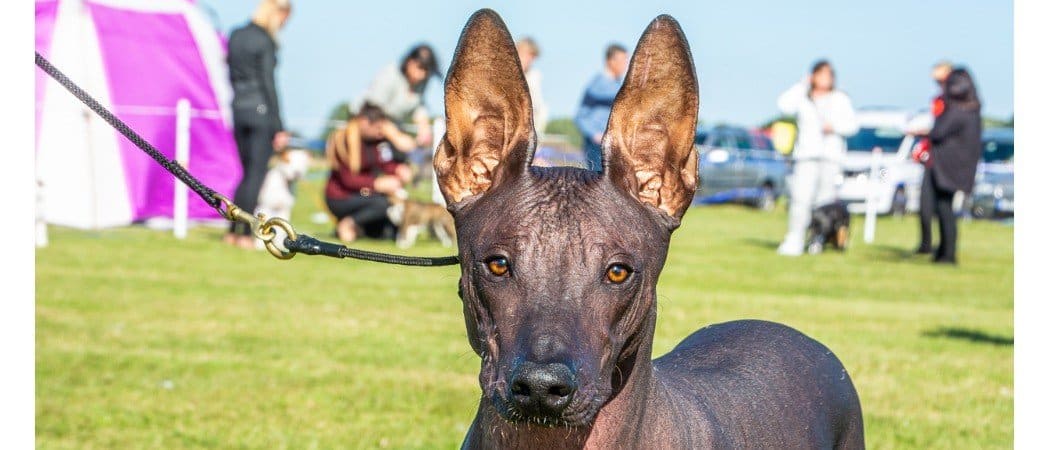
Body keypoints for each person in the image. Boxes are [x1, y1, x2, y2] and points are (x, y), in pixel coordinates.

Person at [224, 0, 292, 249]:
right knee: (255, 175)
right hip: (261, 112)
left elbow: (230, 73)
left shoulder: (236, 34)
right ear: (279, 13)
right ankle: (244, 233)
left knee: (245, 175)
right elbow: (268, 83)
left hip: (239, 109)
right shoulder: (265, 40)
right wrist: (279, 125)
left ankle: (232, 229)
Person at [775, 60, 858, 256]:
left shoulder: (840, 98)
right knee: (800, 200)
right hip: (806, 156)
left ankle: (818, 239)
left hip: (830, 158)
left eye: (828, 74)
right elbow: (783, 105)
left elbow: (852, 125)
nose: (825, 78)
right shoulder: (803, 97)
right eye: (820, 74)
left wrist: (834, 127)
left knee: (825, 204)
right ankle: (794, 239)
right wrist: (802, 85)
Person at [325, 103, 414, 243]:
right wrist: (377, 184)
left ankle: (358, 228)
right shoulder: (342, 140)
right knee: (382, 204)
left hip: (364, 195)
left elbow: (383, 163)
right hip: (341, 197)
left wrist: (397, 169)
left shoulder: (374, 142)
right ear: (365, 122)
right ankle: (347, 223)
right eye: (378, 127)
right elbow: (348, 179)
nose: (381, 132)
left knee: (388, 233)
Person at [925, 68, 982, 265]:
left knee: (944, 209)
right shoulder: (973, 111)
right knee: (945, 209)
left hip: (947, 169)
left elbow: (938, 132)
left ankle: (947, 254)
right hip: (957, 168)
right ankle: (943, 251)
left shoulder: (958, 111)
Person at [351, 44, 442, 151]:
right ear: (409, 61)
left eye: (427, 72)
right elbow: (371, 109)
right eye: (420, 68)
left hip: (391, 131)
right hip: (365, 128)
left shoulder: (421, 83)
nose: (423, 75)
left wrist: (424, 126)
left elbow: (418, 105)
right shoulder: (391, 74)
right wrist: (396, 137)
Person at [915, 60, 953, 254]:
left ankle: (946, 249)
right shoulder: (937, 101)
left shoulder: (955, 102)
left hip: (947, 161)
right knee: (924, 204)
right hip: (931, 159)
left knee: (944, 207)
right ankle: (925, 244)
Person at [574, 44, 628, 171]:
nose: (626, 64)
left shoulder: (617, 85)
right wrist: (595, 134)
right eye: (623, 60)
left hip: (612, 143)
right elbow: (580, 116)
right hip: (597, 145)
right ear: (610, 61)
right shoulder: (598, 84)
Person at [516, 37, 548, 136]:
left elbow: (538, 107)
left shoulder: (534, 76)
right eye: (527, 55)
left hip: (526, 131)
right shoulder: (501, 74)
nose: (530, 60)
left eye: (533, 57)